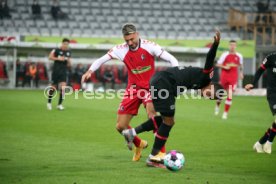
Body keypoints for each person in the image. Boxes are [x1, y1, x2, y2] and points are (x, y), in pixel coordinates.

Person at [122, 31, 224, 167]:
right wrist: (215, 45)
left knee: (165, 120)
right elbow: (210, 59)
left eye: (211, 98)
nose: (208, 97)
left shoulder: (199, 84)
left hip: (159, 81)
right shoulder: (207, 77)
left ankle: (132, 133)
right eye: (211, 95)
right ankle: (153, 158)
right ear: (212, 86)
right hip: (164, 83)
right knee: (169, 122)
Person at [81, 23, 179, 161]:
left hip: (150, 87)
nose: (130, 42)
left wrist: (176, 76)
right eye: (127, 40)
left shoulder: (149, 46)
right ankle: (139, 144)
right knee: (120, 126)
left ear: (137, 34)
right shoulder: (120, 49)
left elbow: (172, 59)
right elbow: (102, 59)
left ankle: (160, 153)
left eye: (132, 39)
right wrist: (90, 71)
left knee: (152, 114)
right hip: (132, 89)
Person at [245, 52, 276, 154]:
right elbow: (260, 70)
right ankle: (269, 143)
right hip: (273, 93)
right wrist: (253, 84)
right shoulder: (271, 57)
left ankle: (260, 143)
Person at [214, 40, 244, 119]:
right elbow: (217, 64)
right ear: (229, 46)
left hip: (233, 78)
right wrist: (224, 67)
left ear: (236, 46)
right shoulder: (225, 55)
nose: (232, 46)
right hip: (224, 77)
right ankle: (217, 106)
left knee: (230, 95)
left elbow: (241, 65)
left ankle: (225, 113)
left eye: (234, 45)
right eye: (231, 45)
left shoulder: (239, 56)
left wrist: (241, 73)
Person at [47, 38, 72, 110]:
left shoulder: (68, 52)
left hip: (63, 72)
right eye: (64, 44)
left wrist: (69, 62)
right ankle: (49, 102)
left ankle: (59, 104)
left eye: (67, 44)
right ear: (62, 43)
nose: (66, 45)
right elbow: (50, 57)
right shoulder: (56, 50)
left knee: (63, 88)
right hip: (56, 71)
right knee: (53, 88)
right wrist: (59, 58)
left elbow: (69, 63)